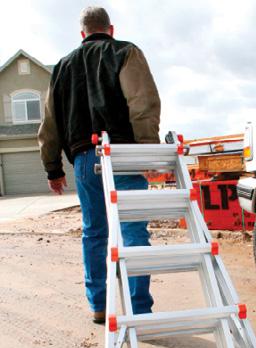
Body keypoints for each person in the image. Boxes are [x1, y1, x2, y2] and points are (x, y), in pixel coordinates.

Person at [38, 6, 161, 323]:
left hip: (84, 157)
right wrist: (147, 151)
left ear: (82, 34)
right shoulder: (125, 52)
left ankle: (99, 306)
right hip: (122, 155)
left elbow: (50, 123)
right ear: (111, 29)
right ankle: (139, 308)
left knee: (94, 233)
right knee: (132, 229)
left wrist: (53, 168)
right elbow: (142, 102)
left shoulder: (63, 66)